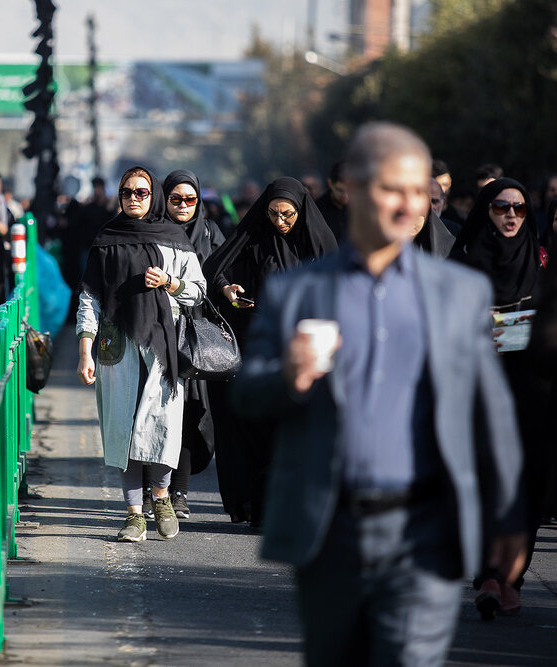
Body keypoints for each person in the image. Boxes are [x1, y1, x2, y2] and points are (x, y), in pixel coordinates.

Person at [232, 123, 525, 665]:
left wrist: (507, 517)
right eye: (393, 188)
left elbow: (493, 413)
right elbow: (246, 395)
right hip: (329, 531)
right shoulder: (297, 291)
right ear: (352, 189)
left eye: (419, 190)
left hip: (425, 532)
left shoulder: (459, 293)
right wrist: (287, 377)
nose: (409, 203)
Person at [76, 166, 206, 542]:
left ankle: (162, 498)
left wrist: (170, 282)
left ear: (154, 197)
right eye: (127, 192)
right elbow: (90, 298)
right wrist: (85, 350)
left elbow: (198, 290)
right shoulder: (106, 240)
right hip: (116, 349)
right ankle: (134, 514)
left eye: (142, 192)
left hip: (162, 348)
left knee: (163, 424)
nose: (133, 198)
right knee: (123, 428)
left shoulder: (173, 238)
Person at [203, 177, 337, 525]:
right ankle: (260, 507)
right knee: (258, 431)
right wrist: (227, 288)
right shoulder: (252, 240)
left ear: (300, 211)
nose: (280, 222)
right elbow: (215, 270)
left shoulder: (318, 245)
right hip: (256, 350)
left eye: (288, 215)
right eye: (274, 213)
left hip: (303, 353)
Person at [449, 177, 550, 618]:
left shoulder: (542, 263)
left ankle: (513, 575)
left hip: (533, 392)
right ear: (485, 213)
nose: (511, 216)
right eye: (501, 208)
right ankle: (487, 576)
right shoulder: (465, 266)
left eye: (520, 209)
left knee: (527, 485)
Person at [148, 169, 223, 520]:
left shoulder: (210, 233)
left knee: (192, 412)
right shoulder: (153, 231)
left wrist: (226, 290)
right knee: (156, 408)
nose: (182, 206)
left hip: (198, 336)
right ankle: (154, 489)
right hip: (159, 331)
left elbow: (223, 271)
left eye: (190, 199)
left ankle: (179, 491)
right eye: (175, 199)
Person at [315, 160, 349, 241]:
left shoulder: (361, 207)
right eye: (340, 190)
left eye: (349, 190)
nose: (345, 195)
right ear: (330, 184)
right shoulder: (318, 209)